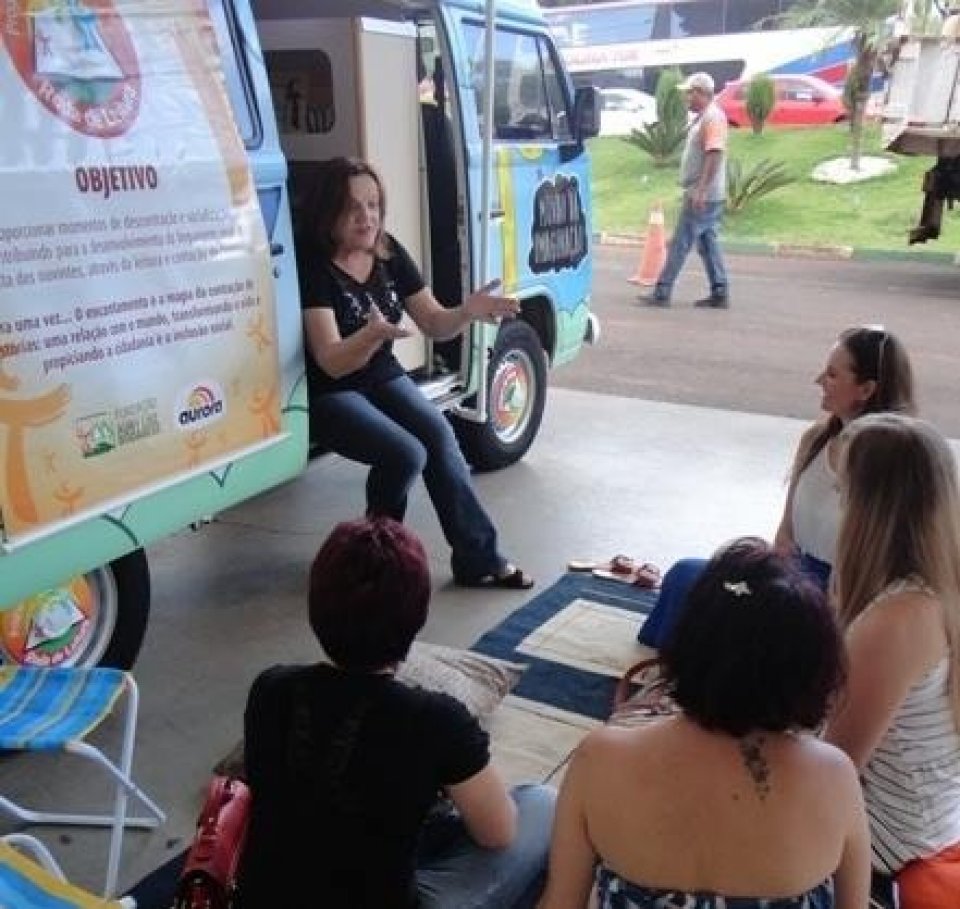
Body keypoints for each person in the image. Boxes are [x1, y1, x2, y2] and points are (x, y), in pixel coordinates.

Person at [239, 517, 556, 909]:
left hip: (266, 898)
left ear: (315, 605)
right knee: (539, 801)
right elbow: (499, 834)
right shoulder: (436, 719)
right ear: (418, 615)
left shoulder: (271, 687)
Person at [542, 538, 870, 909]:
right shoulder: (833, 775)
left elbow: (561, 902)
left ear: (685, 646)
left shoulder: (599, 757)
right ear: (814, 673)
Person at [298, 156, 532, 589]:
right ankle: (373, 563)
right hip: (331, 390)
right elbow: (330, 358)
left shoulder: (386, 251)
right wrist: (369, 337)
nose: (366, 217)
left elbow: (433, 321)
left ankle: (477, 557)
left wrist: (466, 311)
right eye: (352, 208)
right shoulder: (312, 263)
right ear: (326, 212)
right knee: (404, 453)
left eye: (373, 205)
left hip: (379, 374)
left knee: (440, 437)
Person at [639, 326, 916, 649]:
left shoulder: (889, 465)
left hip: (839, 601)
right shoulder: (816, 439)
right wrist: (767, 577)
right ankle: (677, 679)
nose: (818, 381)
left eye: (831, 375)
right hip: (791, 578)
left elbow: (881, 570)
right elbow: (785, 533)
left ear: (866, 389)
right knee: (685, 576)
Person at [825, 414, 960, 905]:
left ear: (869, 508)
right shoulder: (933, 588)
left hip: (888, 851)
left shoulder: (896, 621)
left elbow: (831, 767)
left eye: (842, 493)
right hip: (929, 821)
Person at [643, 71, 729, 309]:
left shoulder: (712, 118)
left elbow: (715, 153)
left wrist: (701, 189)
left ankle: (662, 291)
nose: (687, 98)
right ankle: (720, 289)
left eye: (690, 93)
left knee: (680, 243)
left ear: (701, 92)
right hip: (705, 192)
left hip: (703, 194)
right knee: (707, 244)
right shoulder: (705, 118)